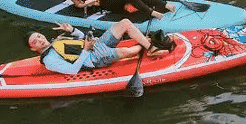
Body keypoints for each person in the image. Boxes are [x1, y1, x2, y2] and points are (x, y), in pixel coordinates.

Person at [26, 19, 172, 76]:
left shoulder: (57, 40)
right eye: (34, 42)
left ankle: (150, 47)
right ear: (33, 49)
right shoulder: (49, 59)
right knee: (127, 51)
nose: (40, 40)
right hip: (93, 58)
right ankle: (144, 44)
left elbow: (80, 37)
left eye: (39, 36)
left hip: (97, 44)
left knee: (125, 23)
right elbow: (72, 70)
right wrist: (86, 50)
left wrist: (72, 30)